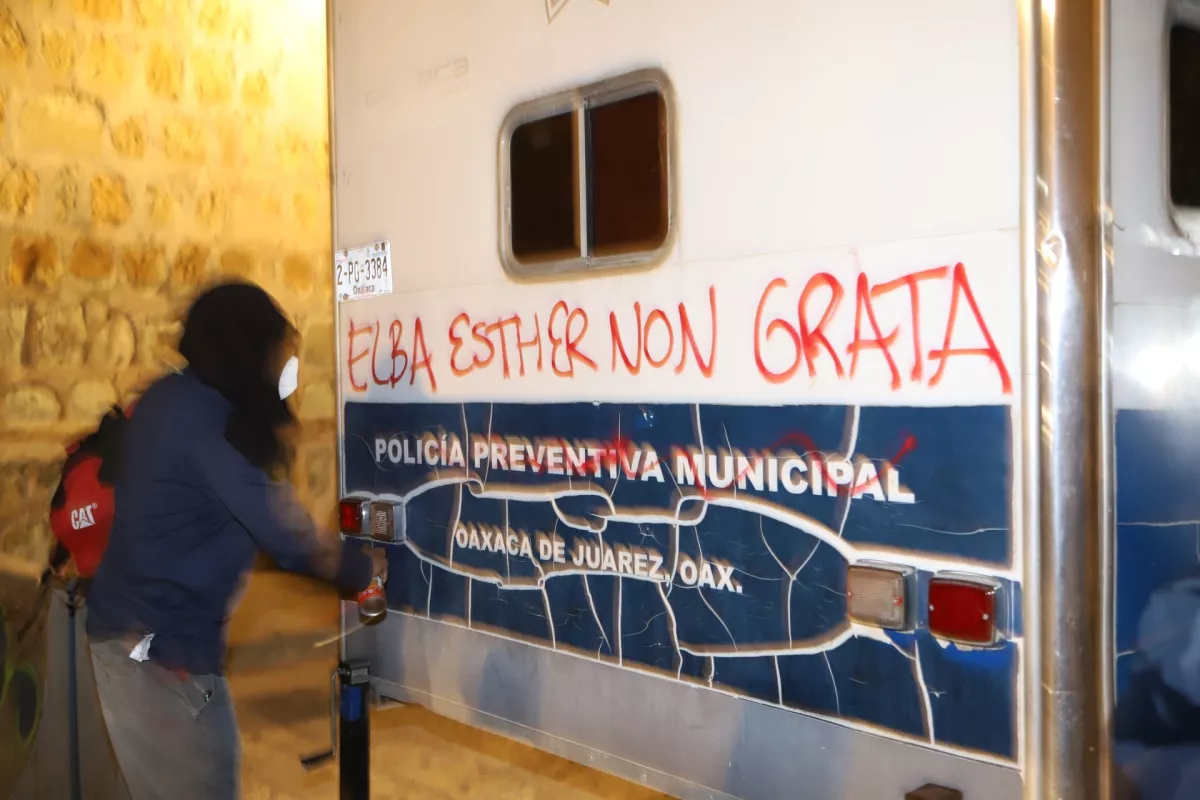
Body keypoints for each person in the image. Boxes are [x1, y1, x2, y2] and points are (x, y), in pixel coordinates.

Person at [85, 281, 385, 800]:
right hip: (164, 661)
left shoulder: (168, 394)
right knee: (204, 779)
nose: (279, 370)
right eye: (273, 354)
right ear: (246, 351)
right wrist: (367, 571)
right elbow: (286, 535)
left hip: (126, 643)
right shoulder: (212, 425)